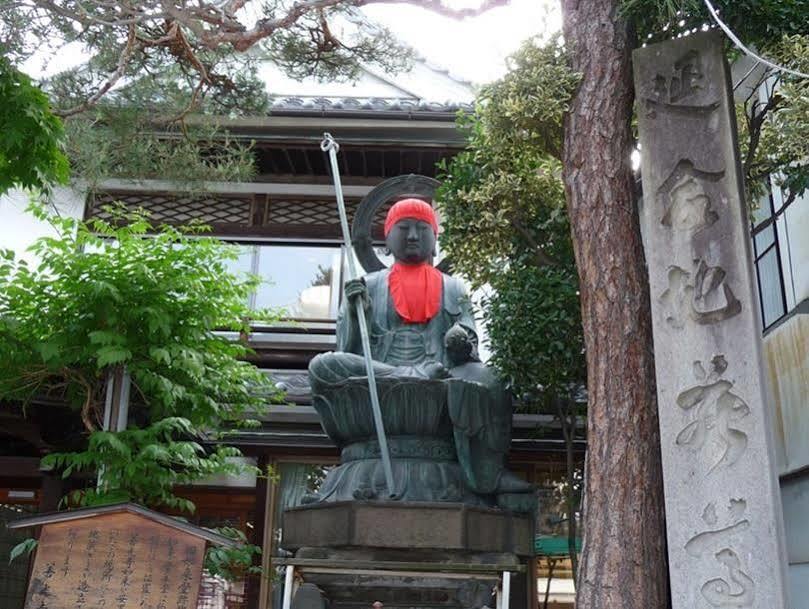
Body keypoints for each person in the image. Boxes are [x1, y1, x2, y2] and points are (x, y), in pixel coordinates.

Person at [307, 199, 533, 510]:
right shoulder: (368, 285)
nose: (412, 235)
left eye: (421, 228)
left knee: (490, 379)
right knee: (323, 365)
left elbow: (469, 344)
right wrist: (353, 309)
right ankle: (409, 376)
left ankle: (489, 473)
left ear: (435, 238)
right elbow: (348, 350)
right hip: (385, 375)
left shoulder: (453, 287)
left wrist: (459, 340)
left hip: (437, 378)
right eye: (403, 228)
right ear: (387, 238)